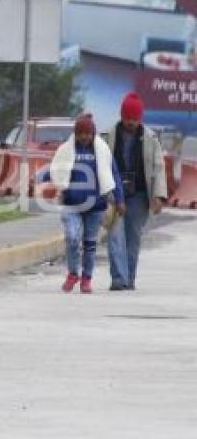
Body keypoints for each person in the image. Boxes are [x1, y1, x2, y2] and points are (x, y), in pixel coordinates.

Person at [41, 114, 125, 293]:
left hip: (95, 206)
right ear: (76, 134)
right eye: (81, 134)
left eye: (88, 133)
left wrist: (119, 199)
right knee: (72, 238)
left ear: (93, 133)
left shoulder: (102, 151)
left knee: (89, 244)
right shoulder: (66, 150)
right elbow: (56, 169)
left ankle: (86, 278)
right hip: (71, 204)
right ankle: (73, 273)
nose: (85, 137)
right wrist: (41, 179)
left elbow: (114, 175)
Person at [105, 93, 167, 290]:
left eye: (134, 118)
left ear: (140, 118)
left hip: (139, 195)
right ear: (121, 116)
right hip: (114, 195)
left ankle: (129, 277)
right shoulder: (107, 136)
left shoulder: (150, 139)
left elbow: (158, 167)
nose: (131, 122)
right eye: (127, 117)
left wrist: (158, 195)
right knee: (115, 236)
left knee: (133, 237)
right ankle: (118, 278)